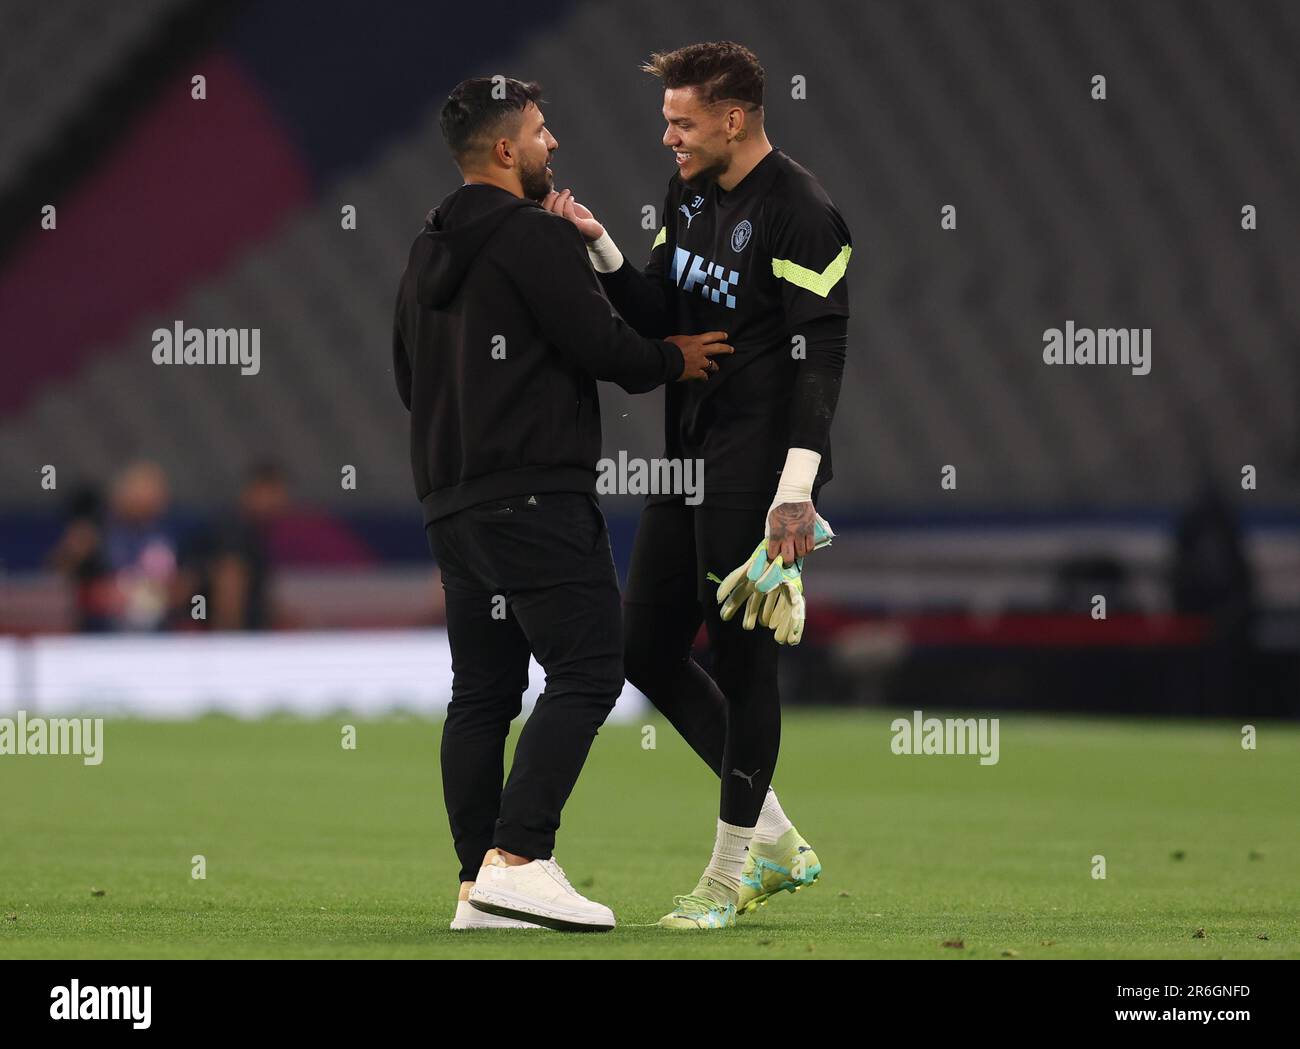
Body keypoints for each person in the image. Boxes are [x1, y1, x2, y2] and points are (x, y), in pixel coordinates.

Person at [392, 76, 732, 932]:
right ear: (506, 150)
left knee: (481, 693)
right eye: (543, 133)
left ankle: (477, 887)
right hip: (535, 495)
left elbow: (408, 379)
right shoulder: (533, 238)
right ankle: (520, 857)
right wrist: (672, 359)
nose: (554, 146)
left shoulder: (423, 252)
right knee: (589, 668)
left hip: (450, 504)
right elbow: (604, 346)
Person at [545, 41, 851, 928]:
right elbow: (654, 309)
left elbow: (822, 356)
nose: (668, 136)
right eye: (666, 120)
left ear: (734, 117)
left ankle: (727, 877)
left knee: (745, 664)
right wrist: (597, 241)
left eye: (682, 122)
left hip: (756, 470)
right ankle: (779, 840)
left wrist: (796, 490)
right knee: (643, 650)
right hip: (688, 457)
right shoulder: (689, 193)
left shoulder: (802, 211)